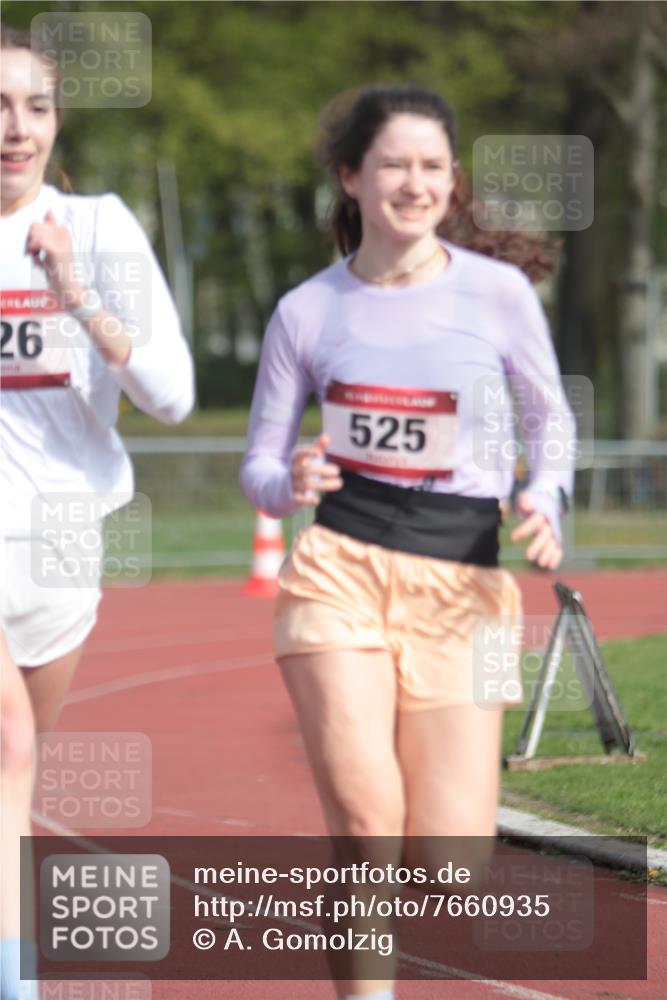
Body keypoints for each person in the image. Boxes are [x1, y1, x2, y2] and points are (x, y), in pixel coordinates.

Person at [241, 84, 575, 999]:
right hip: (337, 571)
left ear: (451, 180)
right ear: (351, 177)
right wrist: (290, 483)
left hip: (463, 584)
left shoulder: (497, 293)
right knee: (363, 815)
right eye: (392, 163)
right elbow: (261, 464)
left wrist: (545, 498)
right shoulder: (307, 311)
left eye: (431, 165)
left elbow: (552, 428)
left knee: (450, 859)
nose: (413, 182)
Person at [0, 26, 195, 1000]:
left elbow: (173, 394)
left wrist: (76, 292)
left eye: (34, 105)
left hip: (67, 533)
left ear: (58, 118)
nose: (14, 126)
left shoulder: (103, 225)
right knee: (6, 748)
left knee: (12, 783)